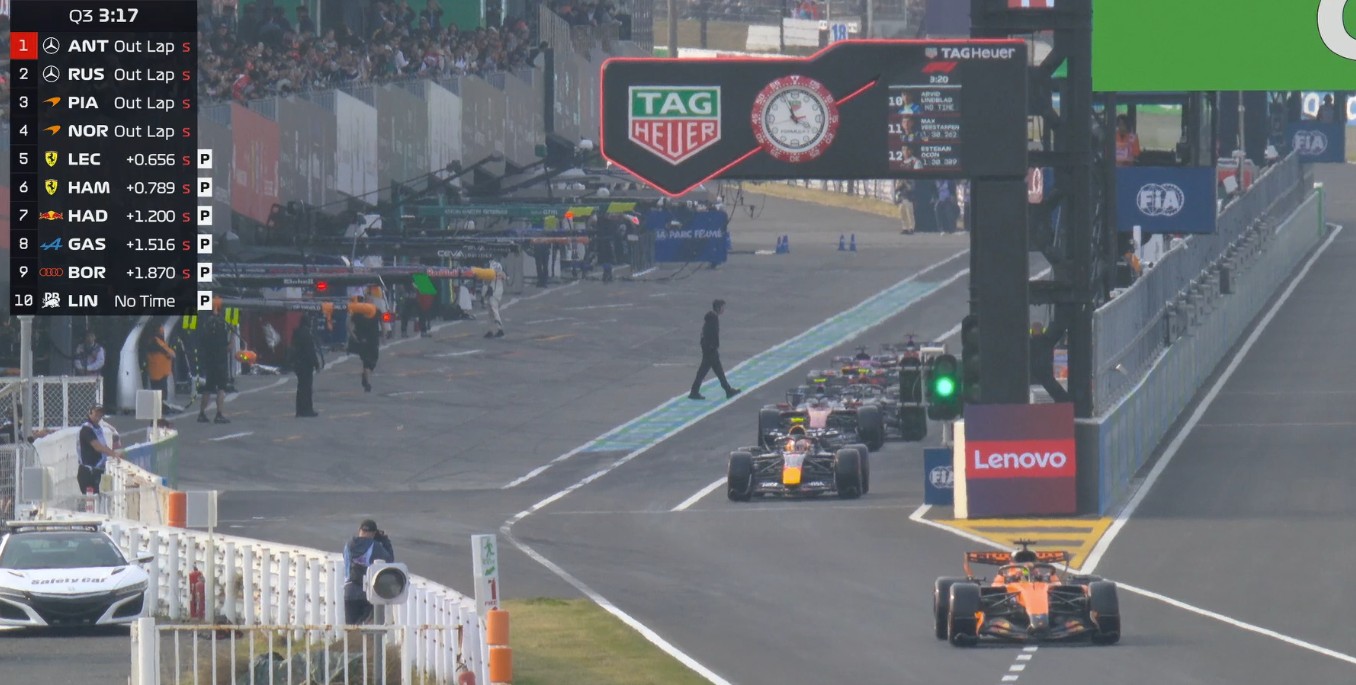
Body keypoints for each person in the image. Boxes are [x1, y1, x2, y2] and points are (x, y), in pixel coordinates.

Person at [342, 519, 395, 625]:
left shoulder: (348, 545)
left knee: (351, 628)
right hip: (367, 593)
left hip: (349, 592)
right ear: (374, 533)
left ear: (359, 530)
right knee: (368, 627)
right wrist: (384, 541)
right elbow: (389, 560)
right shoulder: (375, 546)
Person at [689, 299, 741, 400]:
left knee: (715, 372)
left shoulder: (712, 317)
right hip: (710, 350)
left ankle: (727, 390)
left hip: (709, 349)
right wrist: (712, 346)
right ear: (718, 308)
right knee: (706, 372)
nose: (723, 310)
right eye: (722, 307)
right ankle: (694, 392)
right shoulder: (713, 319)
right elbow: (711, 334)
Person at [77, 405, 123, 497]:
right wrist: (113, 454)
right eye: (96, 412)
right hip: (88, 472)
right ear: (90, 413)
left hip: (98, 470)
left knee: (101, 497)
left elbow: (103, 446)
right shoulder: (86, 429)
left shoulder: (98, 428)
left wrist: (113, 454)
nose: (99, 415)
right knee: (91, 499)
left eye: (101, 413)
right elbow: (97, 446)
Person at [197, 310, 231, 424]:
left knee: (208, 388)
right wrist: (232, 337)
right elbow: (228, 348)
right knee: (221, 388)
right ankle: (219, 414)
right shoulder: (222, 331)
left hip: (209, 363)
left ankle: (201, 413)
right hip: (220, 363)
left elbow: (202, 344)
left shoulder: (206, 331)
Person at [349, 297, 381, 392]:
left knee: (366, 361)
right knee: (371, 362)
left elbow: (350, 325)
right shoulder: (376, 311)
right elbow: (383, 323)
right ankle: (366, 380)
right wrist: (384, 334)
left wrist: (353, 335)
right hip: (372, 340)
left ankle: (365, 377)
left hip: (362, 340)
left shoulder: (358, 312)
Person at [292, 316, 320, 417]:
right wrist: (316, 364)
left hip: (298, 364)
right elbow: (310, 351)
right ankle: (307, 409)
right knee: (306, 388)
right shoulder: (307, 334)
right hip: (306, 365)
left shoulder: (297, 333)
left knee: (301, 387)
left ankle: (299, 410)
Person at [483, 260, 506, 338]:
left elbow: (486, 283)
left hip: (494, 294)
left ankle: (500, 330)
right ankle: (491, 330)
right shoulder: (500, 274)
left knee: (494, 311)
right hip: (495, 294)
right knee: (490, 313)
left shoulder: (494, 275)